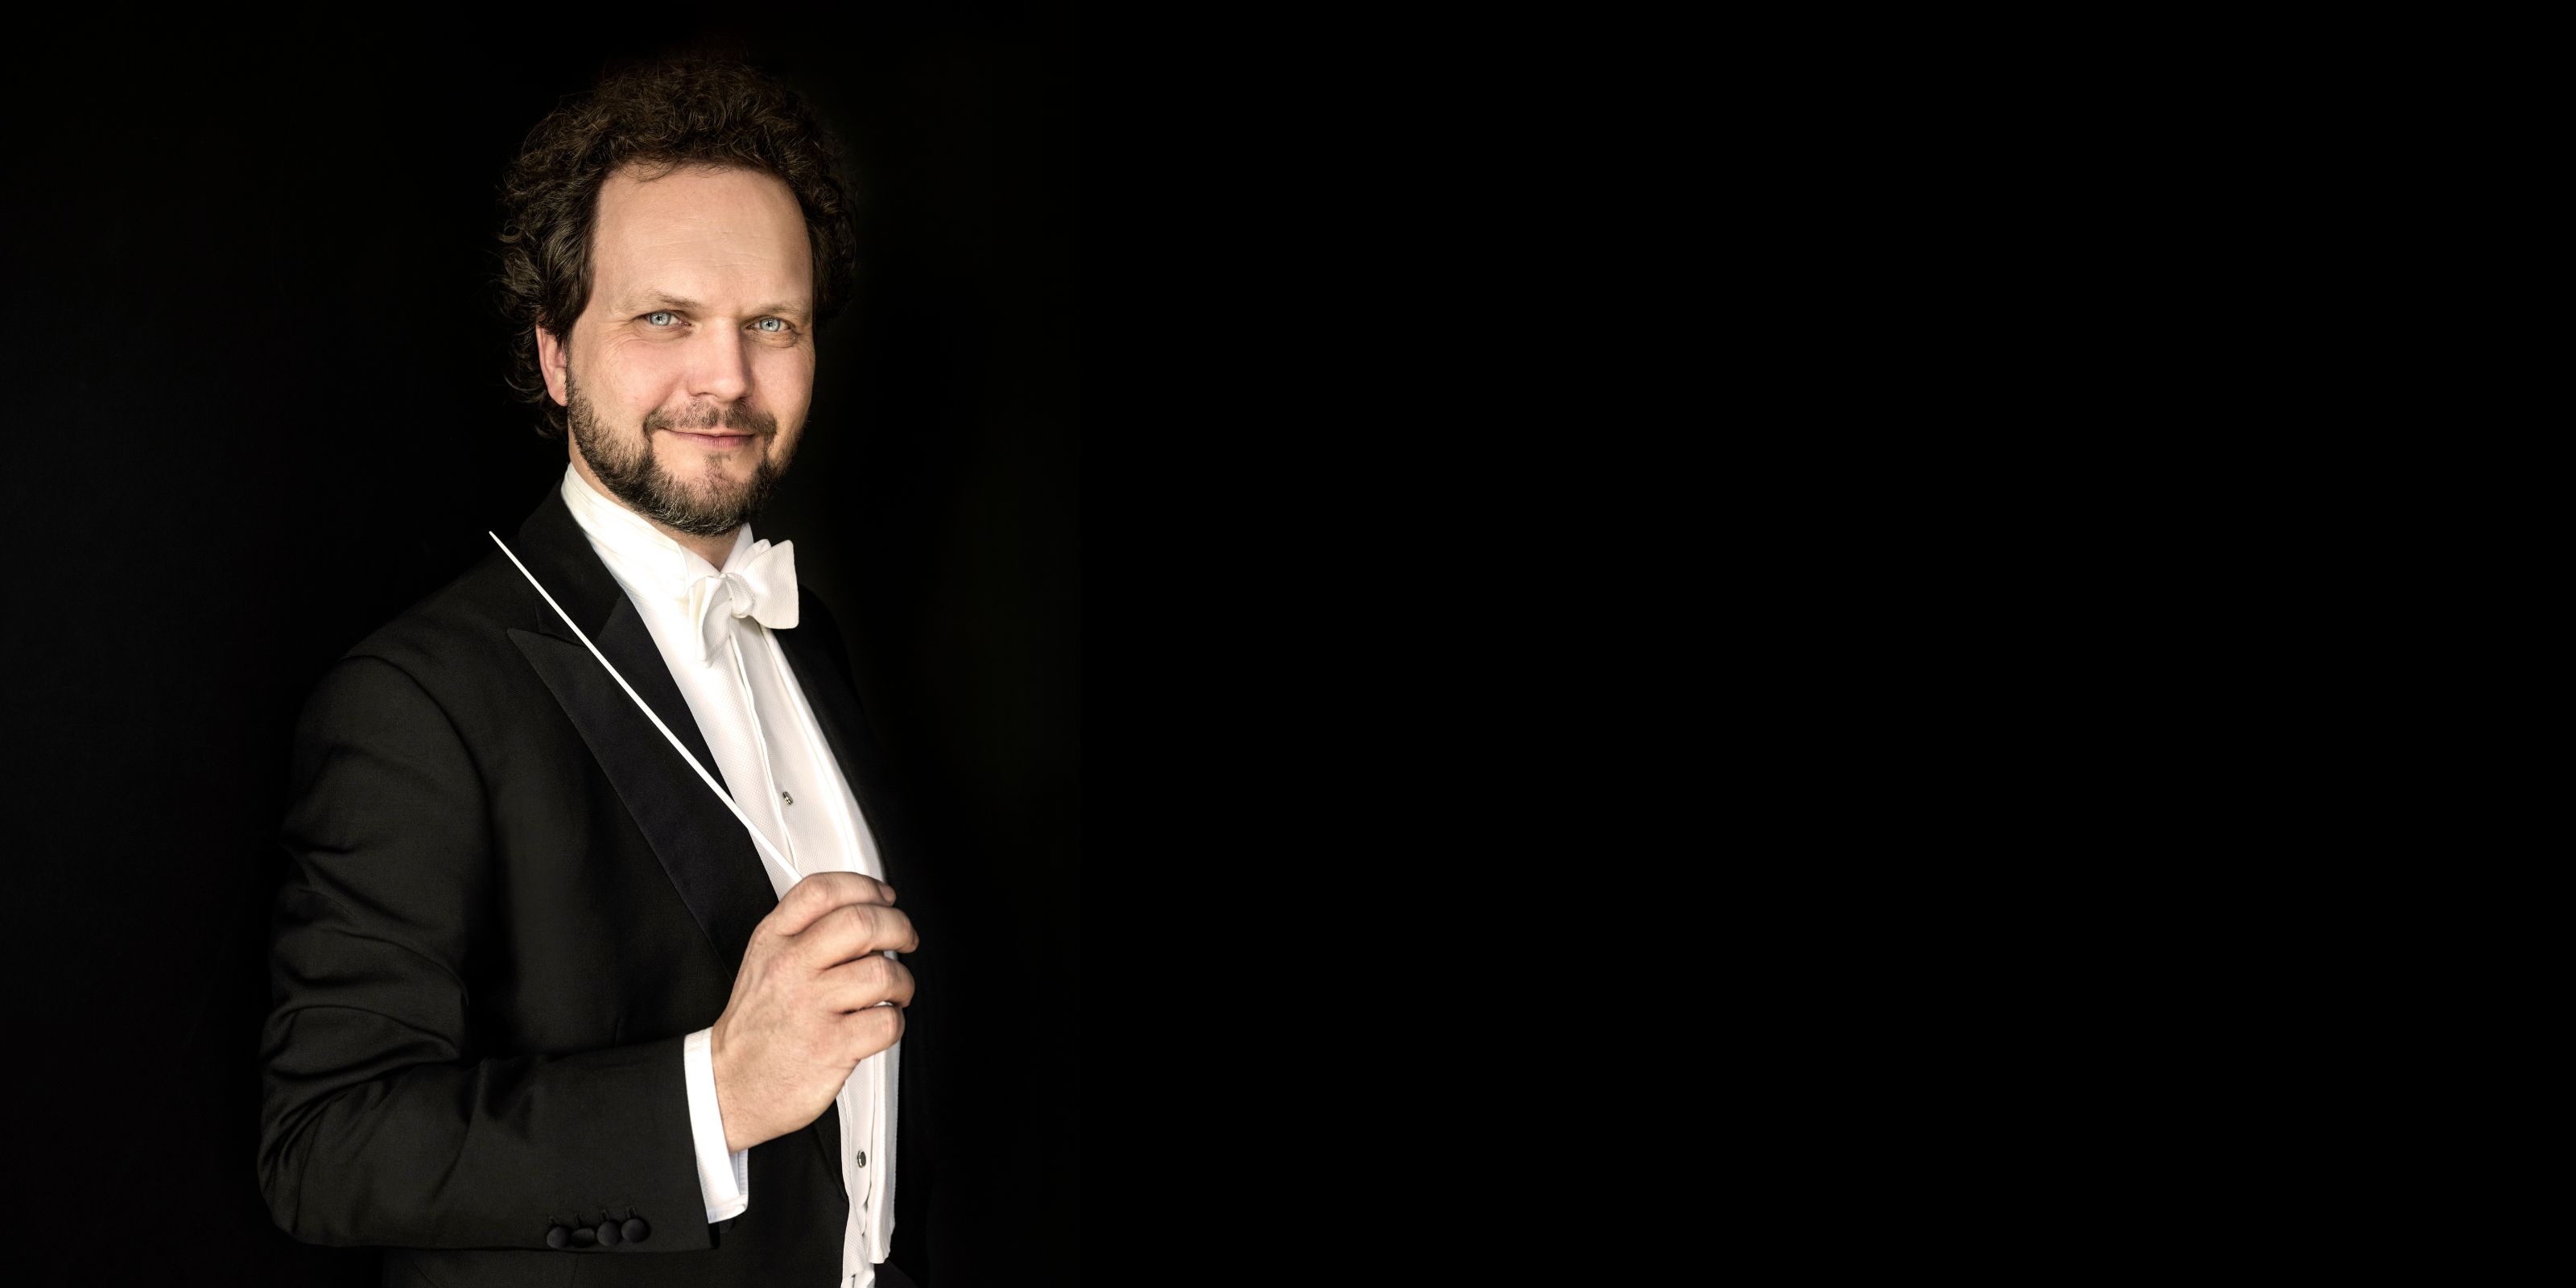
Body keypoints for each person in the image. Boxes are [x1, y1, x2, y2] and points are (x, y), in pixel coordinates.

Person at [258, 58, 934, 1288]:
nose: (726, 378)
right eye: (664, 317)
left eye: (771, 324)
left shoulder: (810, 638)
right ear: (556, 354)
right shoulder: (416, 702)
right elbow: (327, 1148)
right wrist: (715, 1093)